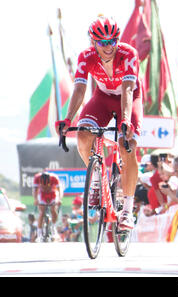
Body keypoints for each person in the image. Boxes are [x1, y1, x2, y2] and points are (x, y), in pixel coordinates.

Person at [55, 16, 143, 230]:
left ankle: (127, 211)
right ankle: (95, 177)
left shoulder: (128, 54)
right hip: (102, 98)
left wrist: (125, 121)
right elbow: (79, 89)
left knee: (126, 145)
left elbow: (129, 89)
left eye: (113, 41)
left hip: (129, 98)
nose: (109, 46)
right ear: (93, 42)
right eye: (103, 42)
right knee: (83, 133)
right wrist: (68, 119)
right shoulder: (86, 57)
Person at [32, 171, 62, 242]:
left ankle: (53, 227)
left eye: (47, 185)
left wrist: (59, 200)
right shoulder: (36, 178)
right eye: (43, 185)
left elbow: (59, 190)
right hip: (42, 194)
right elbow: (35, 191)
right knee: (42, 212)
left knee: (53, 209)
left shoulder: (54, 178)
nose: (45, 187)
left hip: (52, 193)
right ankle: (39, 234)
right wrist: (36, 200)